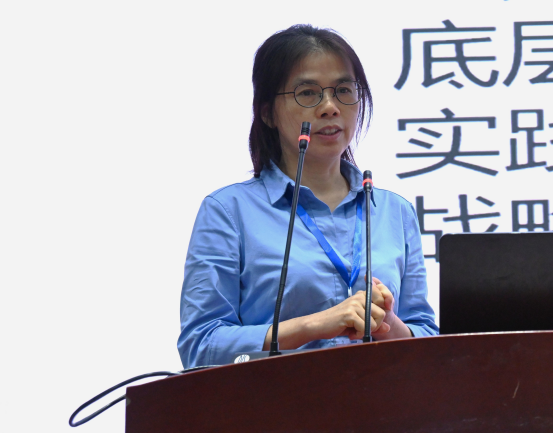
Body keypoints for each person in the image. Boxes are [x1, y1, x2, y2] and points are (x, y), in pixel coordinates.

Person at [178, 25, 437, 368]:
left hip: (380, 397)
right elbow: (201, 346)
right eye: (308, 93)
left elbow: (428, 340)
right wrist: (315, 325)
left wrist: (389, 324)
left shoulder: (394, 211)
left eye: (343, 90)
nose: (330, 107)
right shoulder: (229, 212)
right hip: (274, 400)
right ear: (267, 112)